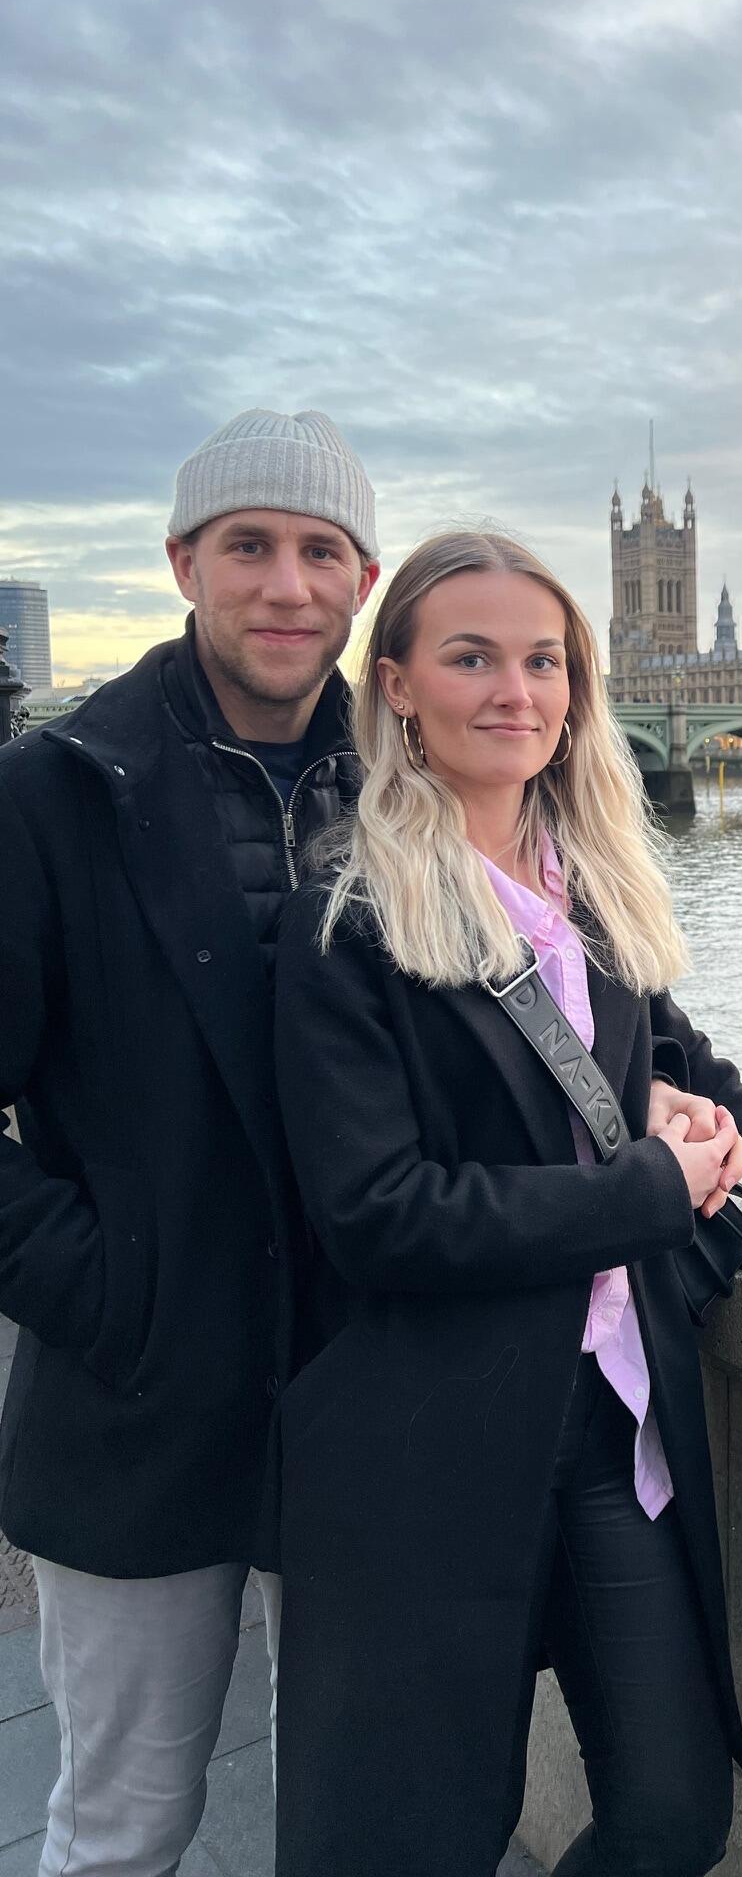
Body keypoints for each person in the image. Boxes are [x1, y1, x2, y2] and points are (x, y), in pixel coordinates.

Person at [272, 525, 742, 1877]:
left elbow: (685, 1072)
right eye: (471, 658)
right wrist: (646, 1193)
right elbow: (381, 1215)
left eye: (543, 661)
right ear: (398, 683)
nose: (514, 691)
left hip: (613, 1424)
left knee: (672, 1811)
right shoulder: (346, 918)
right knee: (416, 1840)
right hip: (435, 1452)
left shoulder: (586, 889)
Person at [0, 409, 382, 1876]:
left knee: (346, 1815)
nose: (287, 586)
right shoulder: (53, 793)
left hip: (357, 1389)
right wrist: (107, 1288)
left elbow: (586, 1013)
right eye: (250, 548)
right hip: (139, 1400)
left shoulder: (416, 787)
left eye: (320, 552)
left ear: (361, 579)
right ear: (183, 564)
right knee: (125, 1825)